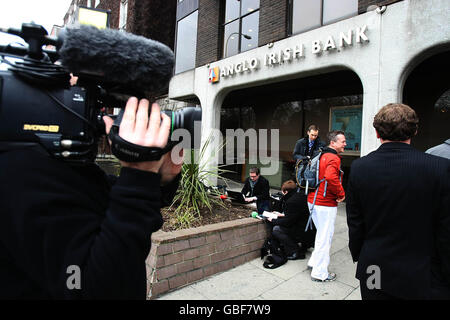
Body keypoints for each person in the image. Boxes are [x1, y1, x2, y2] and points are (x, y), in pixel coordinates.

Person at [0, 97, 183, 299]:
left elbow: (111, 197)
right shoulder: (19, 172)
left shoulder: (62, 166)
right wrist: (139, 172)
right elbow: (92, 288)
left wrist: (159, 179)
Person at [346, 103, 450, 300]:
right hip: (423, 273)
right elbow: (446, 231)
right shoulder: (440, 168)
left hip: (373, 270)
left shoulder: (359, 168)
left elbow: (356, 223)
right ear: (415, 130)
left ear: (377, 133)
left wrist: (361, 255)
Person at [307, 130, 346, 282]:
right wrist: (341, 193)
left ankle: (313, 262)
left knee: (321, 234)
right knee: (325, 238)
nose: (345, 144)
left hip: (312, 200)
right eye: (342, 141)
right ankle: (320, 273)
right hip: (325, 203)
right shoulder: (333, 158)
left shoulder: (321, 154)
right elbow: (330, 177)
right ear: (333, 143)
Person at [266, 180, 316, 260]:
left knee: (277, 230)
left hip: (301, 230)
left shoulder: (290, 202)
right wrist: (281, 214)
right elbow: (296, 214)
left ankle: (294, 251)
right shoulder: (301, 195)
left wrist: (273, 220)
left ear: (285, 191)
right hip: (308, 228)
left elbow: (288, 222)